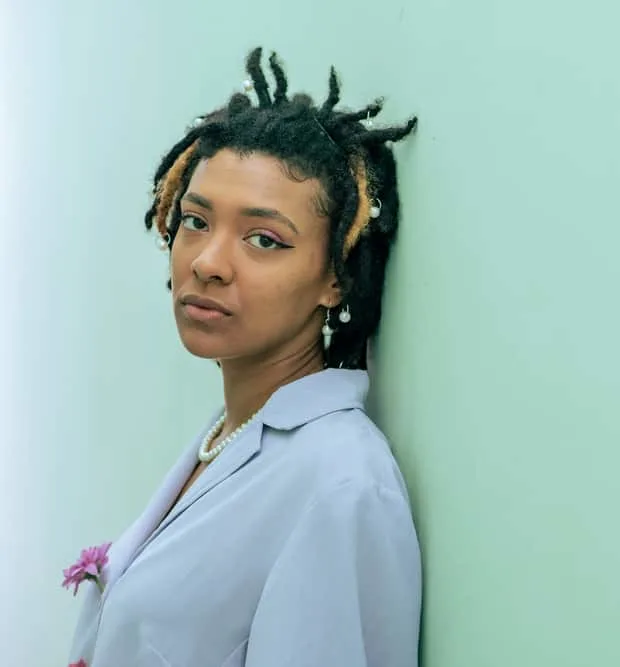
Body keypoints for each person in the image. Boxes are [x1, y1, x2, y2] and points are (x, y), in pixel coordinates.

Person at [66, 47, 421, 667]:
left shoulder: (340, 484)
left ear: (335, 277)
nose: (206, 262)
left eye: (264, 239)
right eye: (196, 221)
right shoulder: (229, 434)